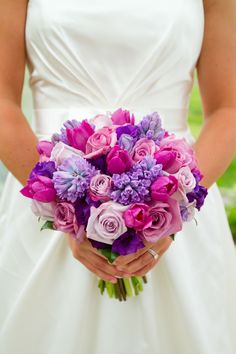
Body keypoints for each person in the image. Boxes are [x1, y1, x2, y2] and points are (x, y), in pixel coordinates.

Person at [0, 0, 236, 353]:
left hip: (177, 208)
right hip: (46, 197)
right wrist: (63, 210)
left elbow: (228, 110)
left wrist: (172, 209)